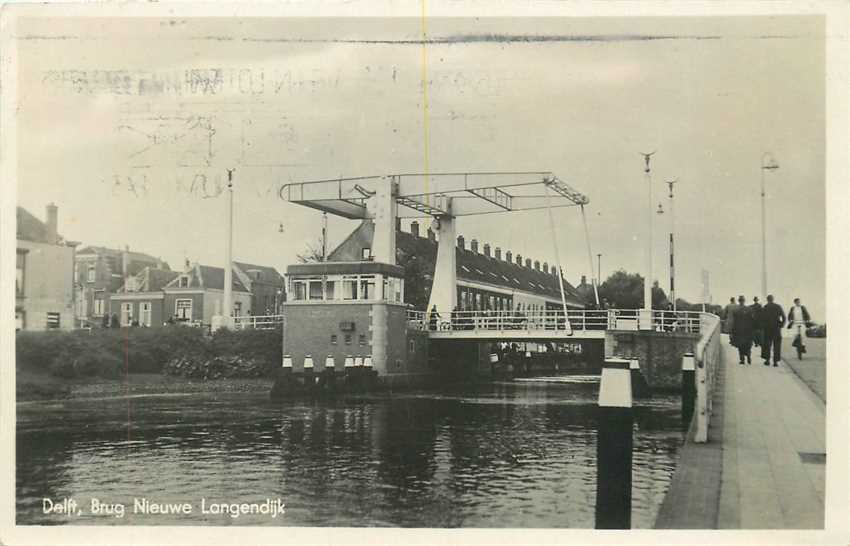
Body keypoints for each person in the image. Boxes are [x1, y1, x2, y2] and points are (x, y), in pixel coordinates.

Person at [760, 294, 786, 367]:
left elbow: (761, 319)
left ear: (767, 300)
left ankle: (767, 360)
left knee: (767, 344)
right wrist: (782, 325)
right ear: (773, 299)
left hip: (767, 328)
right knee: (777, 345)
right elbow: (784, 317)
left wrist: (763, 326)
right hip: (776, 328)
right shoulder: (778, 306)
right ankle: (775, 361)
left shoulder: (765, 307)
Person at [731, 296, 756, 364]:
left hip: (739, 330)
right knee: (748, 344)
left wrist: (732, 331)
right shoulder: (749, 309)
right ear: (744, 301)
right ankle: (748, 356)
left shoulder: (735, 310)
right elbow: (753, 320)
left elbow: (734, 322)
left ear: (739, 301)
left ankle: (742, 359)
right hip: (748, 330)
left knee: (740, 345)